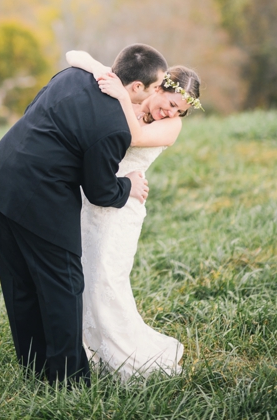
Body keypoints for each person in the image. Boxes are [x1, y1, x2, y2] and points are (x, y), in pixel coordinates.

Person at [0, 44, 166, 386]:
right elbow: (100, 190)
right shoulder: (115, 126)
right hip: (39, 197)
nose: (155, 95)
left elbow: (36, 110)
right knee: (64, 284)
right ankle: (70, 380)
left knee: (19, 281)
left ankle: (33, 365)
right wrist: (129, 184)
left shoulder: (73, 76)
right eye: (154, 89)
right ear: (137, 87)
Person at [67, 50, 201, 380]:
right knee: (84, 276)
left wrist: (120, 97)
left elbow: (137, 138)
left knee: (107, 279)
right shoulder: (129, 93)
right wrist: (105, 75)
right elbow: (74, 55)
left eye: (179, 110)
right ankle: (88, 349)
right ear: (159, 87)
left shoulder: (171, 126)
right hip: (91, 199)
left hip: (123, 208)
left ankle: (124, 354)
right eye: (171, 102)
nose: (170, 112)